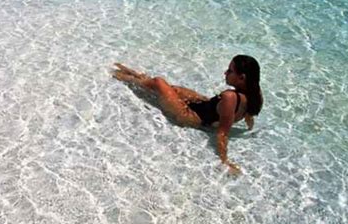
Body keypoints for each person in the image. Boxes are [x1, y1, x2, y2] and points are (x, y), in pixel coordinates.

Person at [113, 55, 263, 174]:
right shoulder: (255, 94)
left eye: (230, 71)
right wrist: (250, 128)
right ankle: (138, 76)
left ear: (242, 77)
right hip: (203, 104)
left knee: (159, 83)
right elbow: (248, 114)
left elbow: (222, 132)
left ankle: (122, 77)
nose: (225, 73)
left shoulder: (230, 97)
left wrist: (224, 161)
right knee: (173, 89)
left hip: (190, 116)